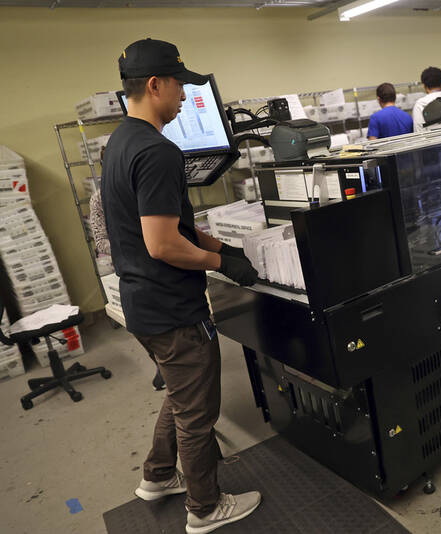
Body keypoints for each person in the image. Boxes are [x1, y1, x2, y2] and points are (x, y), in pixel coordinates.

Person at [102, 38, 261, 534]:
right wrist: (220, 262)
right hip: (172, 307)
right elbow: (163, 243)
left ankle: (157, 476)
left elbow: (172, 223)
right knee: (197, 413)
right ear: (155, 85)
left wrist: (221, 244)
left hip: (143, 303)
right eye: (179, 86)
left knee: (179, 393)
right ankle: (205, 507)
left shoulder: (120, 142)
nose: (185, 98)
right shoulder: (157, 150)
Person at [90, 188, 166, 391]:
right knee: (141, 327)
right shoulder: (100, 197)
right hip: (130, 269)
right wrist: (132, 247)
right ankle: (159, 363)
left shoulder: (144, 188)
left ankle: (170, 366)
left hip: (162, 264)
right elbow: (100, 240)